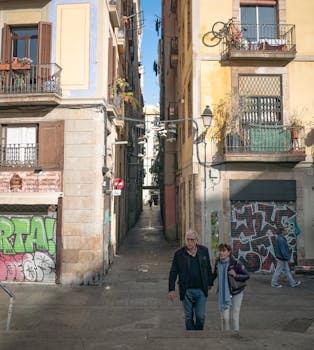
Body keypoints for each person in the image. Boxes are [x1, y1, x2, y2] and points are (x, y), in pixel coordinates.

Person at [168, 229, 214, 330]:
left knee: (200, 317)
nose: (189, 242)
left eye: (192, 240)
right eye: (187, 239)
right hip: (186, 290)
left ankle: (198, 335)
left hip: (200, 290)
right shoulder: (179, 254)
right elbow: (173, 272)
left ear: (196, 240)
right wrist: (171, 289)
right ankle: (192, 339)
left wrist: (210, 282)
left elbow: (208, 268)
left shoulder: (204, 251)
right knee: (188, 317)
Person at [213, 243, 250, 332]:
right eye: (220, 251)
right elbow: (213, 275)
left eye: (224, 251)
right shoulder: (218, 263)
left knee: (234, 316)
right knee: (225, 318)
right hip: (224, 293)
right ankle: (226, 335)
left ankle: (235, 335)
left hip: (236, 292)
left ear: (229, 252)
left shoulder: (236, 263)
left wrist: (236, 275)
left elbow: (247, 275)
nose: (221, 253)